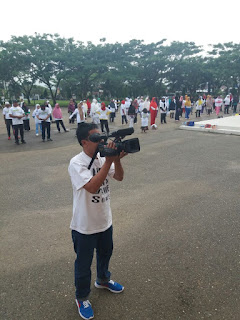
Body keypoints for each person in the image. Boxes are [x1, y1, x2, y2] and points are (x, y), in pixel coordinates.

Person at [68, 122, 126, 320]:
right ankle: (82, 297)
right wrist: (109, 161)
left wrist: (116, 160)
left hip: (104, 221)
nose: (101, 140)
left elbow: (119, 177)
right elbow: (92, 187)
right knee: (83, 264)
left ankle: (102, 280)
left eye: (101, 136)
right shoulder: (77, 163)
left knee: (105, 254)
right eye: (95, 138)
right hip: (84, 226)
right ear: (84, 142)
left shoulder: (103, 157)